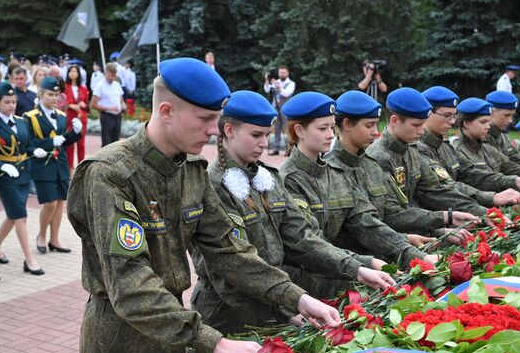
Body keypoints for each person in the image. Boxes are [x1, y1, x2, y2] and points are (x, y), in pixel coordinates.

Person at [67, 57, 340, 353]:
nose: (215, 130)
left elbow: (230, 251)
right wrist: (214, 342)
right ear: (166, 111)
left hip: (175, 333)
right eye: (205, 119)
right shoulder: (110, 174)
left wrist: (296, 297)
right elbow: (130, 285)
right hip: (121, 341)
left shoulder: (190, 171)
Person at [193, 90, 394, 333]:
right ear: (229, 131)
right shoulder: (212, 187)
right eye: (256, 135)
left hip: (277, 303)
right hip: (230, 318)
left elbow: (302, 237)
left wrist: (358, 268)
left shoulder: (267, 179)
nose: (264, 144)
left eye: (267, 135)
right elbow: (231, 270)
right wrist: (286, 311)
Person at [279, 91, 439, 271]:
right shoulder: (286, 180)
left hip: (349, 268)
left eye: (332, 128)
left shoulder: (335, 174)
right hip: (315, 280)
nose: (331, 135)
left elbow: (367, 222)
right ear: (299, 130)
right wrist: (364, 264)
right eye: (323, 128)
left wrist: (418, 255)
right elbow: (309, 243)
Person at [326, 90, 471, 246]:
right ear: (347, 124)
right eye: (369, 125)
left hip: (386, 252)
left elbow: (391, 213)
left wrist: (440, 227)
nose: (376, 132)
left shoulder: (370, 164)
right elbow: (364, 226)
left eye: (376, 124)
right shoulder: (337, 169)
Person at [366, 88, 489, 217]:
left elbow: (436, 190)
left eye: (422, 124)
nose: (421, 131)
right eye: (416, 125)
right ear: (394, 121)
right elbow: (390, 214)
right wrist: (445, 220)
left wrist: (485, 213)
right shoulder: (377, 157)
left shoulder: (411, 150)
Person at [419, 87, 520, 207]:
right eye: (447, 115)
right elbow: (446, 186)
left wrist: (514, 180)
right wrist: (492, 198)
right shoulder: (419, 149)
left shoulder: (445, 147)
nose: (452, 122)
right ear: (428, 113)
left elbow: (471, 173)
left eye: (453, 116)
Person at [0, 81, 44, 275]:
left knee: (14, 215)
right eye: (7, 102)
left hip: (23, 173)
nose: (11, 105)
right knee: (21, 216)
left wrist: (36, 149)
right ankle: (29, 260)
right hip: (5, 177)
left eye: (13, 101)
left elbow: (27, 145)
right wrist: (2, 166)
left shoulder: (21, 122)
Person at [25, 77, 82, 255]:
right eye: (50, 94)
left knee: (59, 203)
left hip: (60, 164)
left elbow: (63, 141)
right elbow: (29, 143)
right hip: (42, 164)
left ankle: (54, 239)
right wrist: (50, 142)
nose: (54, 98)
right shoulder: (30, 117)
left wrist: (76, 134)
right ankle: (41, 235)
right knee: (49, 203)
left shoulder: (61, 116)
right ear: (41, 94)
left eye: (56, 95)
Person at [91, 63, 126, 147]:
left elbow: (121, 99)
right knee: (107, 142)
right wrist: (109, 108)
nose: (113, 78)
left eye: (114, 75)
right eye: (111, 75)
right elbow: (93, 105)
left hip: (118, 116)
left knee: (116, 142)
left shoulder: (117, 84)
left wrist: (123, 105)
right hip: (107, 116)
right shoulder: (100, 86)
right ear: (106, 72)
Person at [264, 65, 295, 155]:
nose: (281, 74)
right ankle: (276, 148)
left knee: (287, 129)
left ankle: (290, 149)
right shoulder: (275, 81)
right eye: (280, 72)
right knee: (276, 129)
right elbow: (267, 90)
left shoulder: (291, 83)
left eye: (283, 72)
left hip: (286, 109)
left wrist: (277, 86)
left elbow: (286, 93)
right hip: (275, 108)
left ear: (287, 73)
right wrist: (267, 80)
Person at [64, 65, 89, 171]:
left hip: (81, 117)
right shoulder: (64, 87)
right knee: (70, 144)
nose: (73, 73)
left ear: (78, 74)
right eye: (71, 71)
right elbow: (61, 101)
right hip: (69, 117)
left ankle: (81, 167)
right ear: (68, 74)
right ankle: (70, 167)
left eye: (75, 71)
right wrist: (69, 105)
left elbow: (87, 106)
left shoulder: (83, 88)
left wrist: (84, 104)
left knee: (81, 144)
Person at [484, 90, 519, 157]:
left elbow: (518, 161)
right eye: (506, 115)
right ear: (490, 112)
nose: (510, 121)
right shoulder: (480, 138)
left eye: (512, 116)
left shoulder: (504, 137)